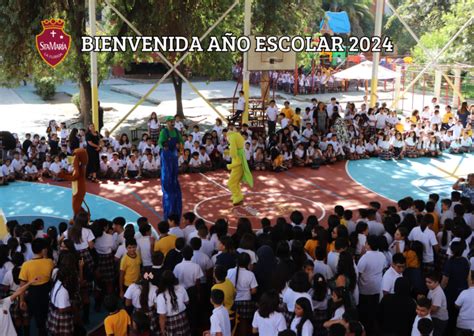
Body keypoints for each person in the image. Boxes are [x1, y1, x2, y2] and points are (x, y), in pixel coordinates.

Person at [18, 238, 54, 336]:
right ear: (44, 250)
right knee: (42, 321)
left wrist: (21, 300)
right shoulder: (50, 262)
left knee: (28, 318)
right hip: (46, 294)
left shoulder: (26, 265)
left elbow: (22, 285)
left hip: (32, 295)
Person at [158, 116, 184, 220]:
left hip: (173, 155)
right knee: (167, 175)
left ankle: (173, 187)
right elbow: (160, 142)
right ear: (167, 123)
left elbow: (181, 141)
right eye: (169, 122)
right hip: (166, 155)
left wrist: (180, 150)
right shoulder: (164, 131)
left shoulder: (177, 131)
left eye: (172, 121)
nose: (171, 123)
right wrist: (163, 146)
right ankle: (168, 191)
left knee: (174, 175)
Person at [227, 252, 258, 336]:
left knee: (232, 322)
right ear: (248, 263)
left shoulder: (230, 271)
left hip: (233, 300)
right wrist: (247, 292)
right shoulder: (250, 274)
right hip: (246, 301)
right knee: (243, 323)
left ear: (237, 261)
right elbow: (254, 291)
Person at [156, 271, 191, 336]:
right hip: (182, 318)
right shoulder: (181, 288)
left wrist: (162, 331)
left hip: (170, 322)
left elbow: (162, 316)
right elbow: (187, 302)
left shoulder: (161, 296)